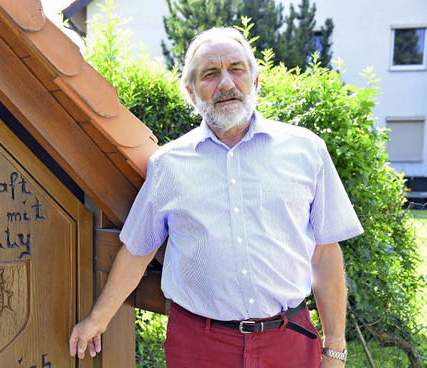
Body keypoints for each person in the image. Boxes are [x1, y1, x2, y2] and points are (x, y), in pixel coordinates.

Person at [69, 26, 363, 367]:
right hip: (199, 345)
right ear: (191, 93)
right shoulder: (169, 165)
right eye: (210, 74)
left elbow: (325, 254)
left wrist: (335, 346)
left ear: (255, 82)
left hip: (289, 341)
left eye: (236, 69)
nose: (225, 83)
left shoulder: (306, 150)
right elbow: (138, 250)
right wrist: (97, 320)